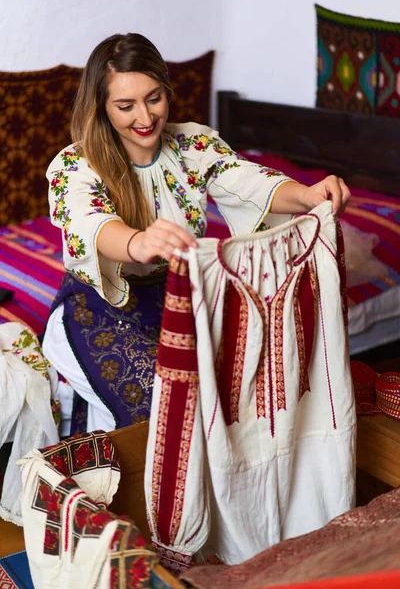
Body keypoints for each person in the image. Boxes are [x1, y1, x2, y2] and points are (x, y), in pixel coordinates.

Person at [42, 33, 351, 437]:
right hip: (98, 307)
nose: (145, 117)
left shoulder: (191, 143)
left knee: (230, 404)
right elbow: (87, 221)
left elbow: (249, 182)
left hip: (176, 301)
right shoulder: (75, 165)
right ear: (101, 108)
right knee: (160, 413)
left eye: (154, 98)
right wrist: (138, 242)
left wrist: (308, 195)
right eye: (125, 105)